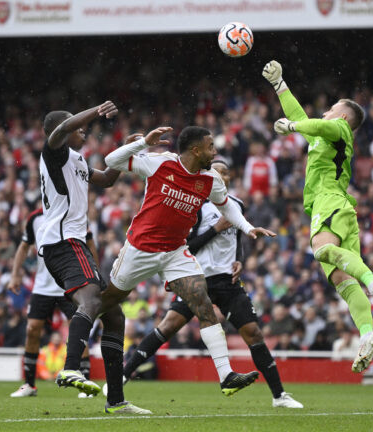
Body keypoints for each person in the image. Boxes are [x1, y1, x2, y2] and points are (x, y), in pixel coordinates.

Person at [99, 126, 276, 407]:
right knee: (107, 302)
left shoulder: (210, 179)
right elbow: (111, 162)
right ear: (196, 150)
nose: (214, 151)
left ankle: (226, 375)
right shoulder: (161, 162)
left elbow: (227, 206)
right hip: (141, 248)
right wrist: (143, 143)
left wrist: (248, 227)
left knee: (203, 305)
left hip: (175, 251)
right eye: (210, 146)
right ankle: (77, 352)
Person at [117, 160, 303, 408]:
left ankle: (279, 396)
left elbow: (237, 239)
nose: (221, 176)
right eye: (216, 171)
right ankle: (122, 376)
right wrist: (215, 229)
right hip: (196, 279)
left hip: (227, 281)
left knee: (254, 333)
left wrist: (239, 260)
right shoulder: (194, 206)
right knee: (168, 326)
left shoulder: (236, 205)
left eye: (225, 172)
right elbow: (185, 246)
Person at [262, 60, 373, 373]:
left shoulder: (340, 129)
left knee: (321, 250)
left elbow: (312, 124)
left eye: (332, 108)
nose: (325, 112)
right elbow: (303, 118)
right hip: (340, 209)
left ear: (344, 115)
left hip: (330, 201)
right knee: (344, 284)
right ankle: (367, 334)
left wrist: (293, 127)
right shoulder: (325, 138)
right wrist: (280, 86)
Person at [38, 101, 149, 415]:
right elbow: (62, 129)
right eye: (77, 127)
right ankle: (72, 367)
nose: (82, 130)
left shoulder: (76, 158)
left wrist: (126, 150)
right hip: (64, 242)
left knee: (114, 316)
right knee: (92, 301)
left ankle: (116, 400)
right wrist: (95, 111)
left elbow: (107, 180)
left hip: (71, 244)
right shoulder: (54, 151)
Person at [7, 208, 94, 398]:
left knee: (77, 328)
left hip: (69, 283)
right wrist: (15, 275)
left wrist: (92, 275)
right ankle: (29, 384)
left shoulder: (73, 213)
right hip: (43, 287)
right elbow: (23, 246)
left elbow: (89, 243)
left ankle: (84, 382)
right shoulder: (35, 218)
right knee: (32, 329)